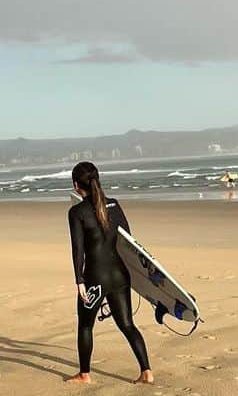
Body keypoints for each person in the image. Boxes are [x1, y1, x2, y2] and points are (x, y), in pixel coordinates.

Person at [66, 161, 153, 385]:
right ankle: (146, 372)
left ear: (76, 185)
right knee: (127, 325)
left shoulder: (77, 212)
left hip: (95, 279)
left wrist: (79, 281)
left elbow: (78, 250)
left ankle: (84, 374)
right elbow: (129, 241)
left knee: (85, 325)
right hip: (120, 275)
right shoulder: (113, 205)